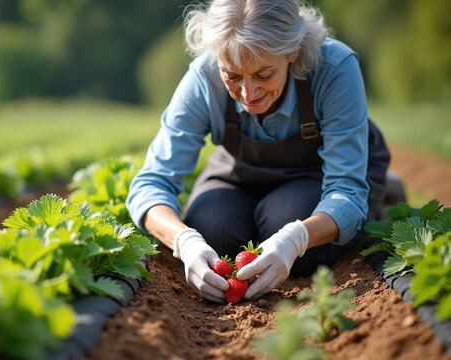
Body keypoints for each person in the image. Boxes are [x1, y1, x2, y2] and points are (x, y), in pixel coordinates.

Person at [126, 0, 391, 303]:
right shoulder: (204, 78)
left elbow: (346, 190)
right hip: (238, 174)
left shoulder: (334, 68)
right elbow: (151, 184)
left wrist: (297, 238)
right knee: (212, 231)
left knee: (291, 230)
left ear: (293, 51)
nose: (248, 94)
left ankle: (383, 191)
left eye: (264, 75)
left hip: (313, 176)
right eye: (233, 76)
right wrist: (183, 241)